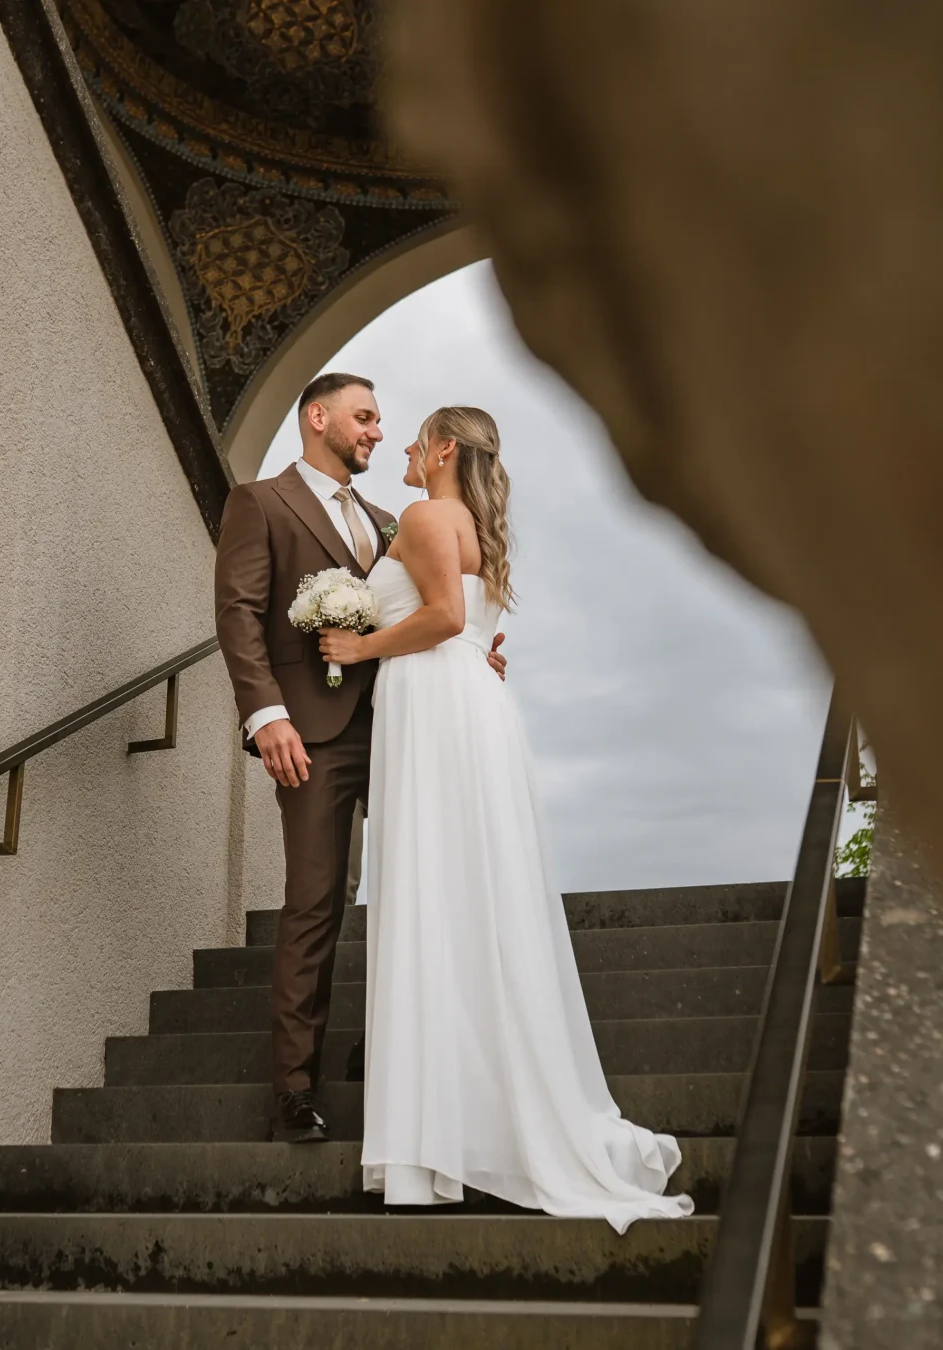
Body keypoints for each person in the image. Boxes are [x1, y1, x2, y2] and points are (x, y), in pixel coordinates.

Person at [318, 406, 693, 1228]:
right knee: (469, 902)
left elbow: (447, 620)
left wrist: (357, 649)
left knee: (432, 902)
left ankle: (435, 1144)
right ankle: (458, 1128)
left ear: (445, 449)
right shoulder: (475, 527)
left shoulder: (422, 515)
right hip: (470, 704)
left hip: (435, 702)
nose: (406, 453)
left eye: (416, 440)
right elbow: (465, 627)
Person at [214, 374, 507, 1143]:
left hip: (406, 726)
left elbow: (435, 607)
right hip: (312, 736)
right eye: (365, 417)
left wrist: (474, 655)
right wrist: (265, 712)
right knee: (317, 902)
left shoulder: (390, 519)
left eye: (381, 421)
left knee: (424, 886)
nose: (379, 431)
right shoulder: (262, 503)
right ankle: (294, 1090)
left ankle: (406, 1051)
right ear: (319, 418)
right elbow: (240, 612)